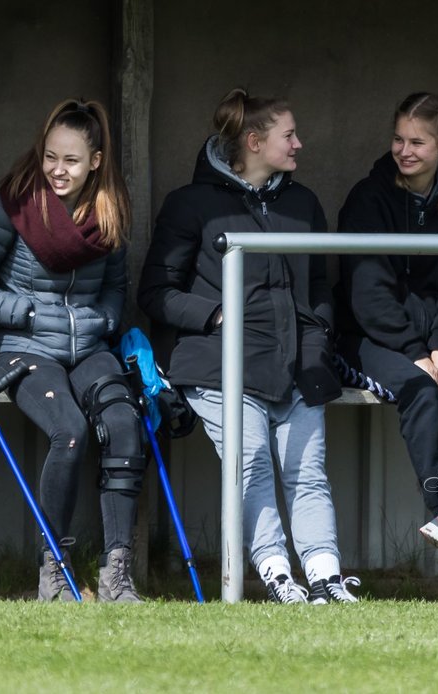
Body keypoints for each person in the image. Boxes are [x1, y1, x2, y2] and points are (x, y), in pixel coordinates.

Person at [139, 88, 359, 604]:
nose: (299, 144)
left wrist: (320, 337)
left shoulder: (302, 203)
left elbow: (320, 287)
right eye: (289, 135)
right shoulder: (190, 204)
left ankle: (326, 576)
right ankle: (278, 574)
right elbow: (155, 292)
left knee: (307, 469)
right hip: (221, 366)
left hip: (298, 363)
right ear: (255, 141)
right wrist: (215, 316)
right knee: (253, 460)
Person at [0, 99, 145, 603]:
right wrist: (29, 314)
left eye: (72, 161)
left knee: (124, 424)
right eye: (51, 157)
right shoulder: (14, 205)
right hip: (23, 348)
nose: (58, 170)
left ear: (95, 163)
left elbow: (117, 290)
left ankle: (117, 574)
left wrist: (103, 318)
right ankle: (53, 572)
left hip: (89, 348)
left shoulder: (110, 209)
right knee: (71, 431)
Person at [335, 92, 438, 572]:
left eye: (418, 142)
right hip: (369, 338)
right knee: (422, 393)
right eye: (398, 139)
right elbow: (368, 293)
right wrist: (415, 351)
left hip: (435, 339)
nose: (404, 150)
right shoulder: (368, 198)